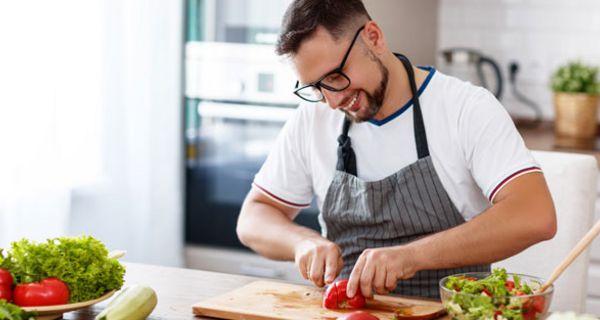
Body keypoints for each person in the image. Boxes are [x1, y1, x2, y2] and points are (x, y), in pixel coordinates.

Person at [236, 0, 556, 299]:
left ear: (373, 37)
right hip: (348, 313)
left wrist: (411, 256)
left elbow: (535, 215)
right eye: (316, 88)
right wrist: (301, 242)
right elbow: (253, 217)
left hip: (450, 311)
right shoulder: (313, 118)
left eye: (335, 76)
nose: (332, 101)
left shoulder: (465, 108)